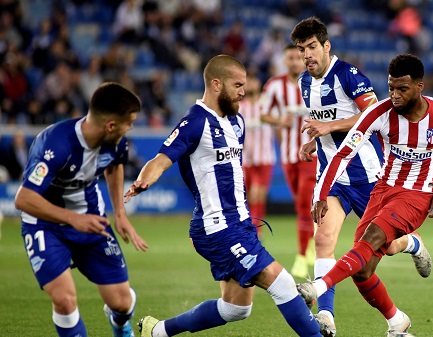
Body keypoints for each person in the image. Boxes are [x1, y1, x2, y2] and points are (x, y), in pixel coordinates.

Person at [124, 55, 321, 337]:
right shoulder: (194, 121)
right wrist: (144, 180)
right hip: (219, 228)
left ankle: (158, 331)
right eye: (238, 85)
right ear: (217, 84)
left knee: (236, 308)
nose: (244, 90)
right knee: (283, 284)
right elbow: (161, 158)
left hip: (239, 224)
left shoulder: (237, 121)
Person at [296, 54, 433, 337]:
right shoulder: (379, 113)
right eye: (391, 87)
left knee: (370, 239)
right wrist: (321, 192)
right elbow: (345, 152)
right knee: (363, 269)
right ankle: (397, 321)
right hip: (383, 189)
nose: (394, 95)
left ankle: (317, 289)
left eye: (402, 89)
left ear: (420, 86)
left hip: (417, 195)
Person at [14, 82, 148, 337]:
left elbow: (114, 166)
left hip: (90, 220)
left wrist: (120, 213)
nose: (130, 128)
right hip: (44, 223)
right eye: (128, 123)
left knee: (121, 302)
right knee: (64, 299)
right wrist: (72, 219)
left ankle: (119, 321)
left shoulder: (116, 142)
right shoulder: (55, 144)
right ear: (110, 125)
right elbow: (24, 198)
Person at [259, 44, 317, 278]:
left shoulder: (315, 82)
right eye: (290, 57)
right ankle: (311, 240)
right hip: (287, 155)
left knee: (304, 204)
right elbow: (262, 112)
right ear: (284, 60)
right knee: (301, 204)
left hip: (310, 154)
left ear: (304, 58)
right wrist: (277, 121)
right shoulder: (274, 85)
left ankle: (302, 256)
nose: (294, 61)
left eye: (297, 57)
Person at [240, 73, 276, 237]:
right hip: (247, 158)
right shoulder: (240, 107)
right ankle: (251, 225)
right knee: (248, 194)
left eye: (253, 80)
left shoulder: (266, 105)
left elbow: (278, 126)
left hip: (265, 157)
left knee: (258, 193)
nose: (251, 85)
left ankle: (256, 227)